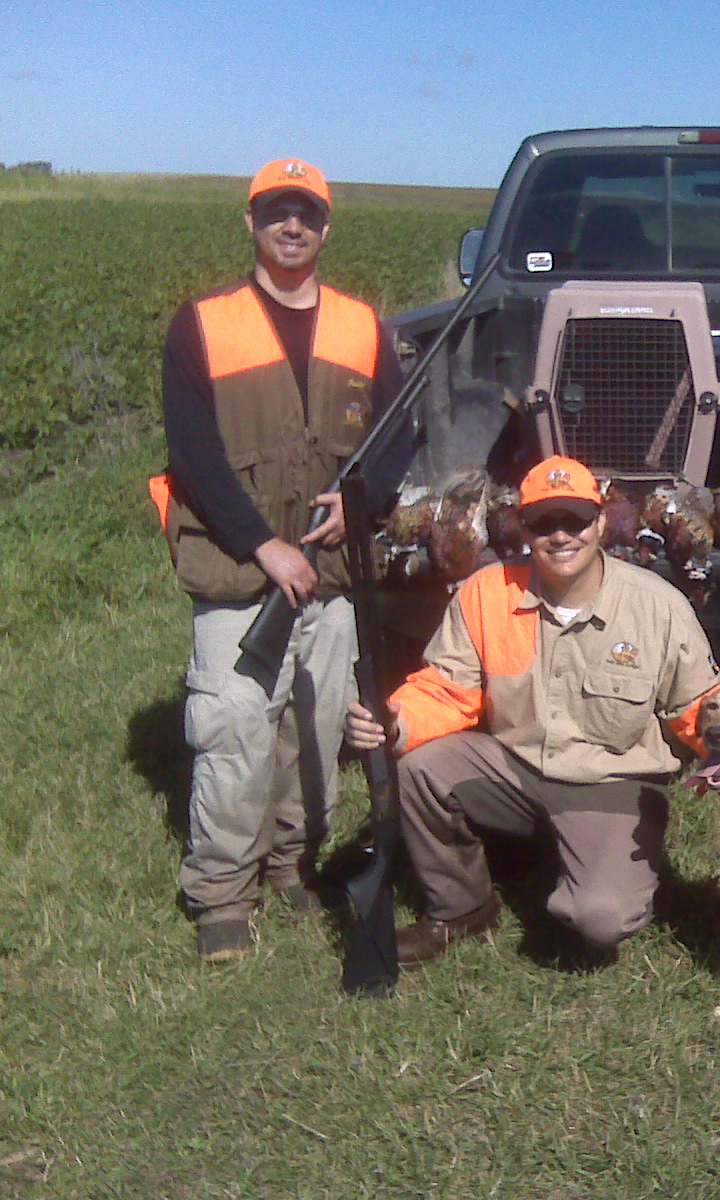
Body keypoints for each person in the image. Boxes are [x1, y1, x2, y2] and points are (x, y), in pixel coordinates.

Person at [156, 159, 402, 962]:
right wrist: (262, 546)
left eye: (305, 213)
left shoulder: (364, 325)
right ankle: (222, 892)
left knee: (315, 727)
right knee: (234, 730)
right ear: (250, 222)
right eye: (274, 212)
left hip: (328, 578)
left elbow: (395, 439)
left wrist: (357, 502)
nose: (290, 226)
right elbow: (192, 452)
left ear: (326, 227)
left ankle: (293, 863)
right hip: (239, 573)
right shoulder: (203, 323)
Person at [344, 456, 720, 969]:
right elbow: (447, 688)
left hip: (612, 783)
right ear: (524, 527)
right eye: (545, 522)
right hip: (516, 766)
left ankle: (574, 867)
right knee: (419, 767)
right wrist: (393, 721)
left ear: (601, 523)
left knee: (600, 921)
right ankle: (461, 909)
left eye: (575, 519)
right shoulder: (486, 593)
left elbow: (700, 707)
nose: (561, 535)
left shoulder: (658, 606)